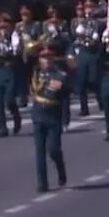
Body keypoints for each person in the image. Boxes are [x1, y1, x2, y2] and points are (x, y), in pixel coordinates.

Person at [30, 48, 69, 192]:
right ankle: (42, 183)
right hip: (38, 115)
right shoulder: (36, 73)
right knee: (39, 152)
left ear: (53, 59)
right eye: (43, 58)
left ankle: (60, 167)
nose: (46, 60)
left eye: (49, 58)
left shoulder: (60, 76)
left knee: (53, 149)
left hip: (53, 116)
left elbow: (65, 99)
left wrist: (66, 119)